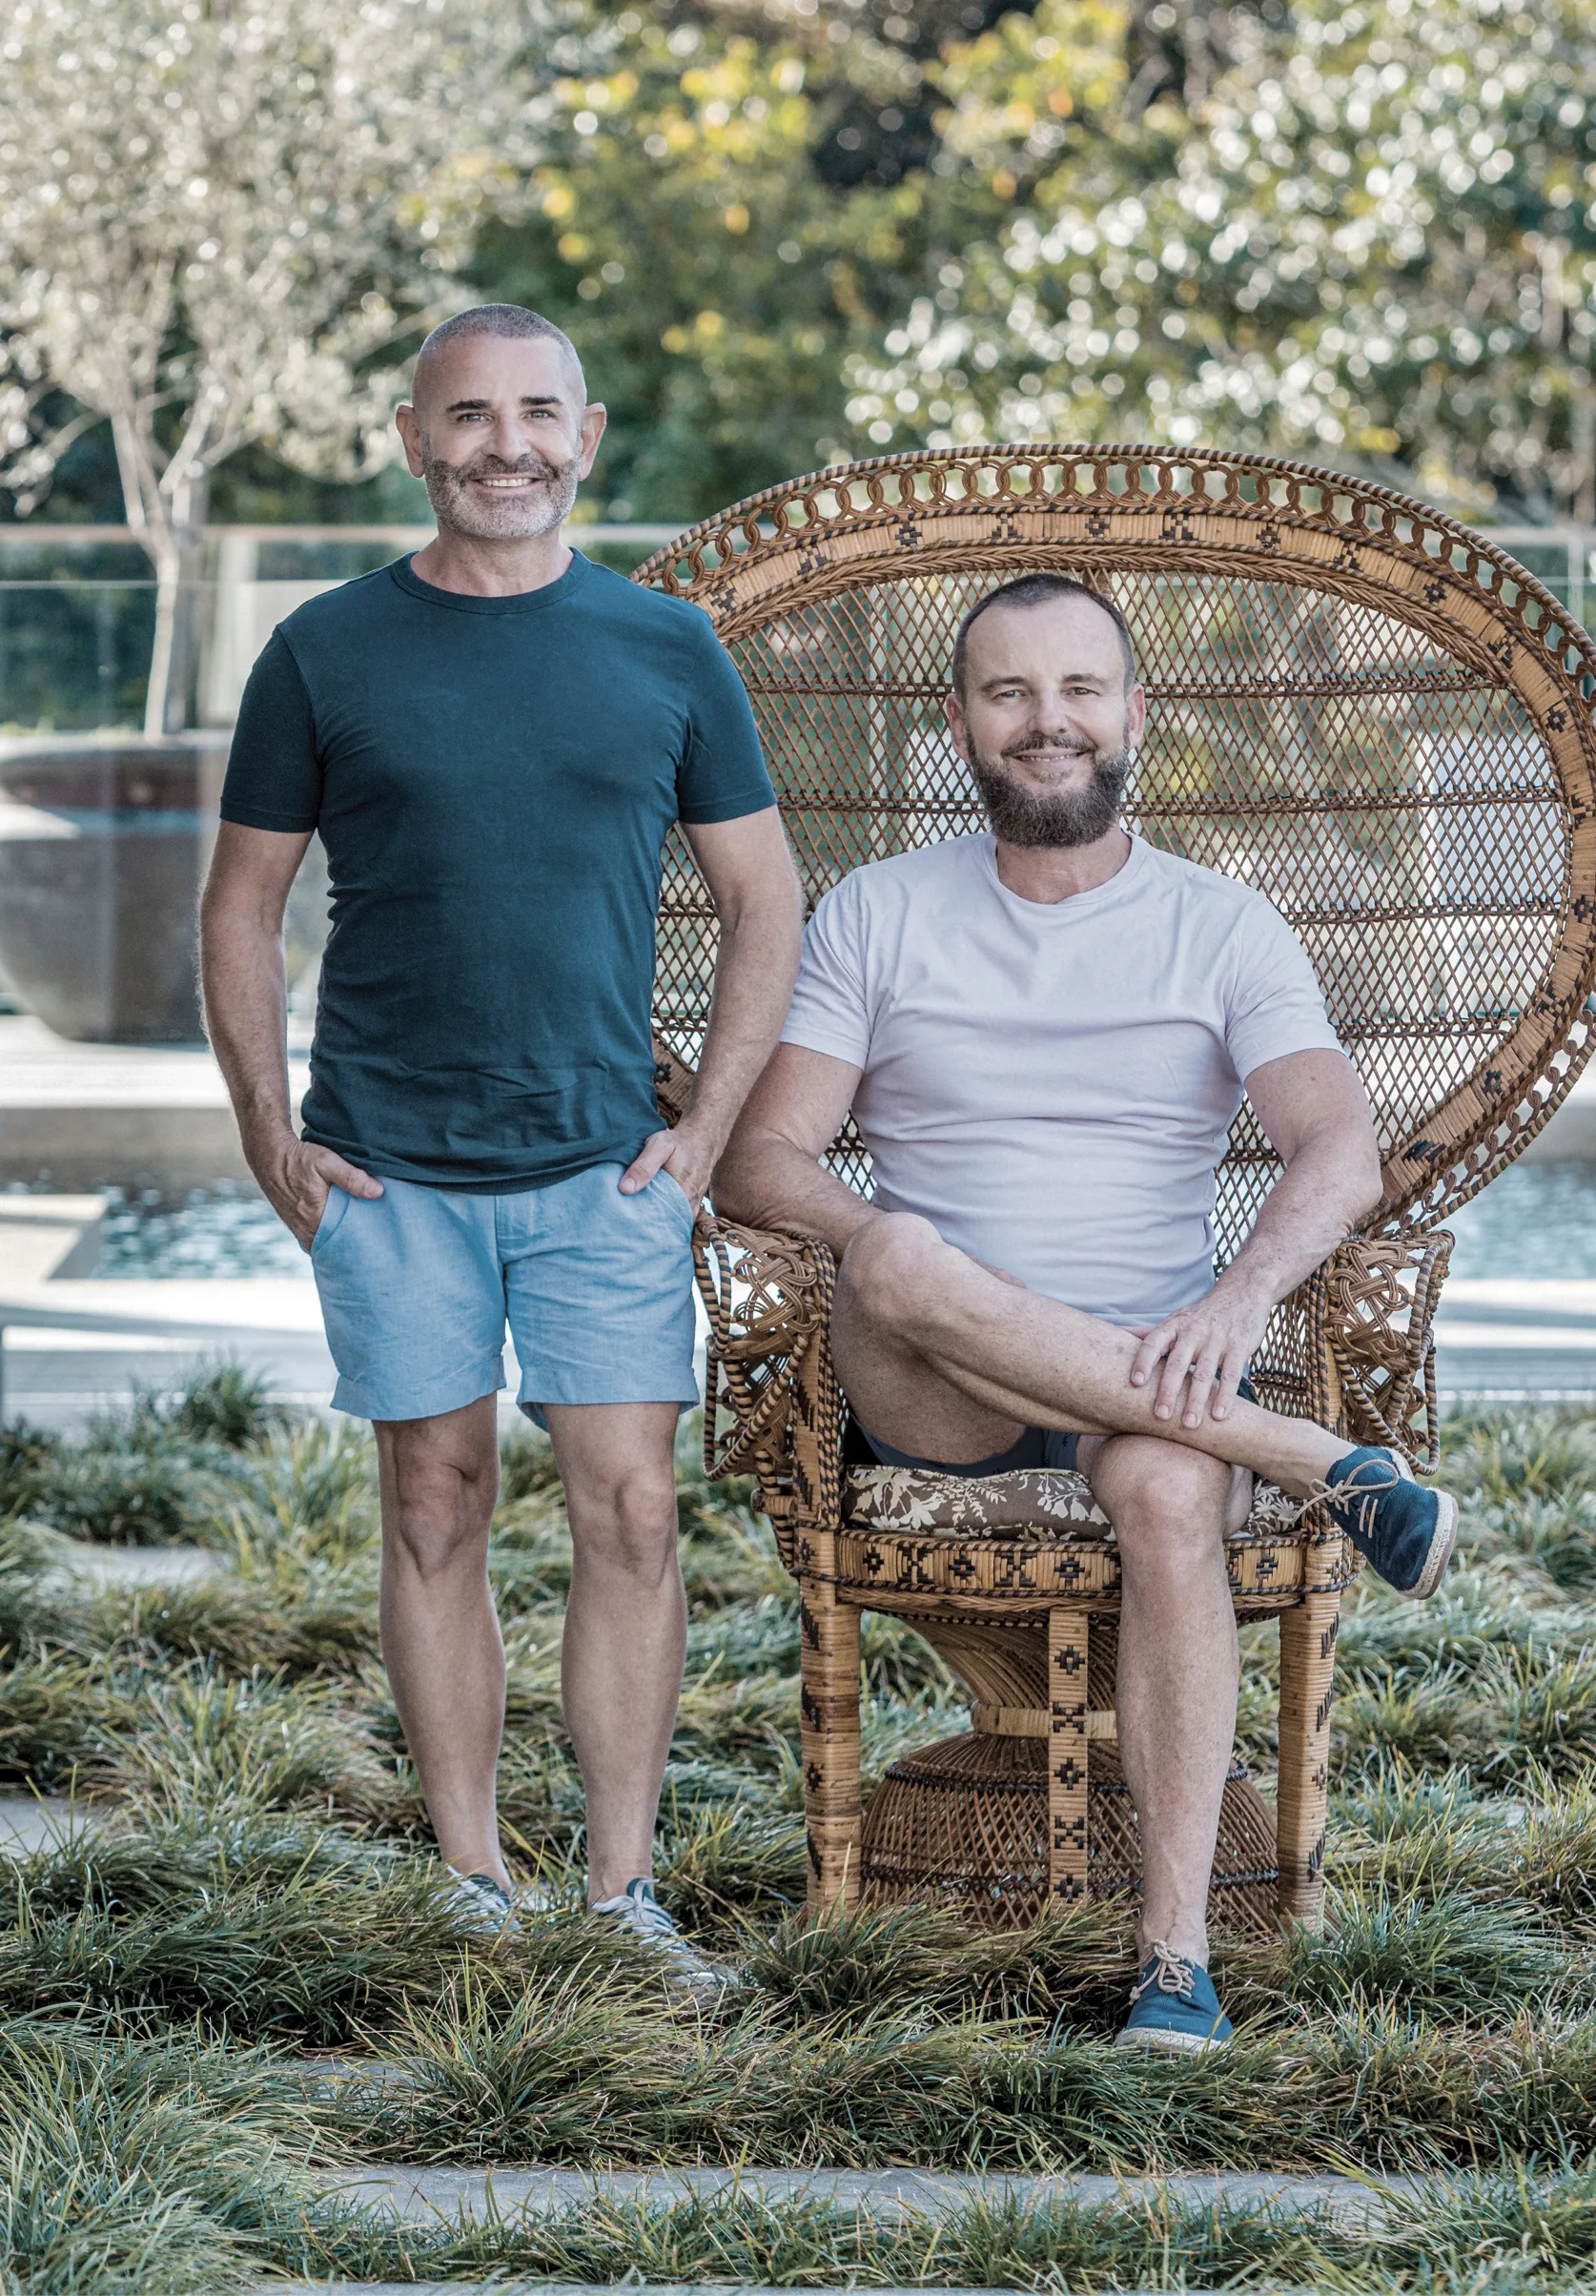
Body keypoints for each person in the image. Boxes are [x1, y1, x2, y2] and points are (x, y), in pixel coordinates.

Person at [714, 571, 1457, 2051]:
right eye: (1009, 694)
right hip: (935, 1387)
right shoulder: (880, 909)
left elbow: (1341, 1151)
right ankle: (1314, 1461)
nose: (1046, 723)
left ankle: (1174, 1961)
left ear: (1132, 714)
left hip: (1161, 1372)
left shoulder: (1222, 925)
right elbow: (763, 1162)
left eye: (1077, 691)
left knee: (1176, 1489)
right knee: (903, 1256)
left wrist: (1243, 1295)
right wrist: (877, 1239)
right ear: (961, 723)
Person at [200, 305, 804, 1978]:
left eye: (537, 413)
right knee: (433, 1508)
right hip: (388, 1166)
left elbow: (767, 900)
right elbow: (240, 911)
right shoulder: (324, 650)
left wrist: (707, 1136)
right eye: (468, 416)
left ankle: (621, 1894)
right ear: (413, 441)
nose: (504, 444)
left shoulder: (667, 647)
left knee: (629, 1513)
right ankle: (472, 1878)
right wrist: (271, 1136)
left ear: (588, 436)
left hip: (605, 1166)